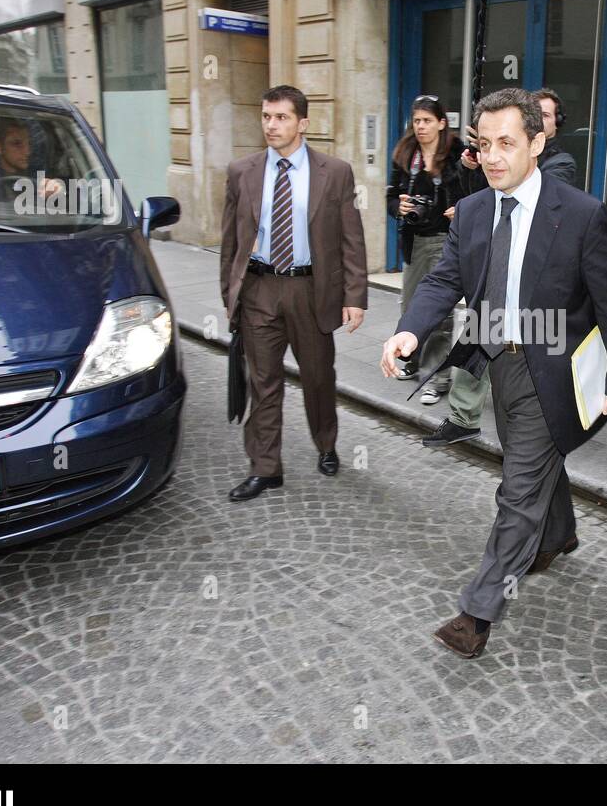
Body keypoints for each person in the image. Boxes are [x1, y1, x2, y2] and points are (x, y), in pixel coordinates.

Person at [381, 87, 607, 659]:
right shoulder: (472, 211)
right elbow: (446, 279)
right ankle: (561, 533)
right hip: (498, 364)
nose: (492, 157)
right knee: (537, 464)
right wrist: (411, 329)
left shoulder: (581, 214)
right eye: (483, 144)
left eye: (506, 144)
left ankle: (478, 613)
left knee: (518, 488)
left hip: (556, 371)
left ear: (537, 143)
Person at [219, 85, 368, 501]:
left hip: (311, 290)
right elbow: (230, 239)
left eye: (281, 117)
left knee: (318, 378)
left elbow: (350, 239)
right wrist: (228, 293)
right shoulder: (241, 171)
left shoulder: (334, 172)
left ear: (303, 122)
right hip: (259, 289)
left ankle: (326, 444)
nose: (271, 125)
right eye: (266, 116)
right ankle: (266, 467)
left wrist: (355, 296)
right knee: (263, 382)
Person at [423, 87, 581, 448]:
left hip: (537, 291)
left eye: (546, 114)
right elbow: (487, 195)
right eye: (486, 143)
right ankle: (464, 417)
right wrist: (473, 170)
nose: (494, 151)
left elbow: (542, 198)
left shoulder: (561, 163)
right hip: (495, 265)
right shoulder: (497, 158)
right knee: (479, 333)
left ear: (548, 130)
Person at [387, 95, 476, 404]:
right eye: (417, 121)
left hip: (444, 238)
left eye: (427, 120)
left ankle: (438, 378)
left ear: (441, 122)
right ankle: (411, 361)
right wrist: (398, 206)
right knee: (410, 306)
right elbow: (391, 196)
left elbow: (476, 189)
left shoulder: (458, 153)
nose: (421, 126)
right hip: (413, 239)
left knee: (440, 314)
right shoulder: (405, 152)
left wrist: (461, 209)